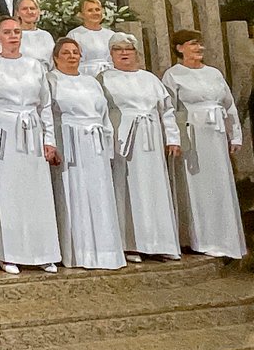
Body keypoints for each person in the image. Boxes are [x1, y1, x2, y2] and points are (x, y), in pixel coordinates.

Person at [0, 16, 60, 275]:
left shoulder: (35, 66)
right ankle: (8, 252)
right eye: (7, 32)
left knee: (37, 191)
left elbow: (45, 105)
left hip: (32, 131)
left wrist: (49, 140)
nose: (13, 36)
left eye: (16, 31)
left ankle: (43, 251)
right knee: (8, 191)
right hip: (5, 130)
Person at [162, 30, 246, 259]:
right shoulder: (173, 75)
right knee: (196, 187)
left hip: (215, 137)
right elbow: (170, 109)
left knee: (218, 184)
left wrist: (234, 135)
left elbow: (228, 105)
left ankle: (224, 238)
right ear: (179, 48)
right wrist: (174, 139)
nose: (199, 48)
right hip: (192, 136)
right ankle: (198, 238)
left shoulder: (214, 73)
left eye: (200, 44)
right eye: (193, 44)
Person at [99, 33, 181, 262]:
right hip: (124, 139)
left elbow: (166, 110)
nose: (124, 53)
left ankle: (160, 242)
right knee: (128, 188)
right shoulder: (103, 79)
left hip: (151, 139)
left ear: (136, 53)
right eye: (118, 49)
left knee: (154, 187)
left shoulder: (150, 79)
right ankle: (131, 243)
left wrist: (172, 138)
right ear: (111, 53)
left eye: (128, 49)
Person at [47, 37, 125, 270]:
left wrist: (108, 147)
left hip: (95, 143)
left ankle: (105, 252)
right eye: (66, 52)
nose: (72, 56)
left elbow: (103, 116)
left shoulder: (92, 82)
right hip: (68, 140)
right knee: (74, 193)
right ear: (55, 57)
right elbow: (47, 112)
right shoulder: (51, 80)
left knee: (99, 193)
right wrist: (52, 144)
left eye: (75, 52)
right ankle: (78, 252)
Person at [66, 0, 115, 77]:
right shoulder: (74, 35)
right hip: (85, 76)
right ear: (82, 14)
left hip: (110, 75)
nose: (95, 13)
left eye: (97, 10)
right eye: (90, 10)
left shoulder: (111, 35)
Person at [16, 0, 54, 71]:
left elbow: (53, 61)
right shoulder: (12, 35)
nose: (29, 12)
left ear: (38, 12)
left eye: (32, 8)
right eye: (24, 9)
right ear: (17, 13)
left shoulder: (46, 36)